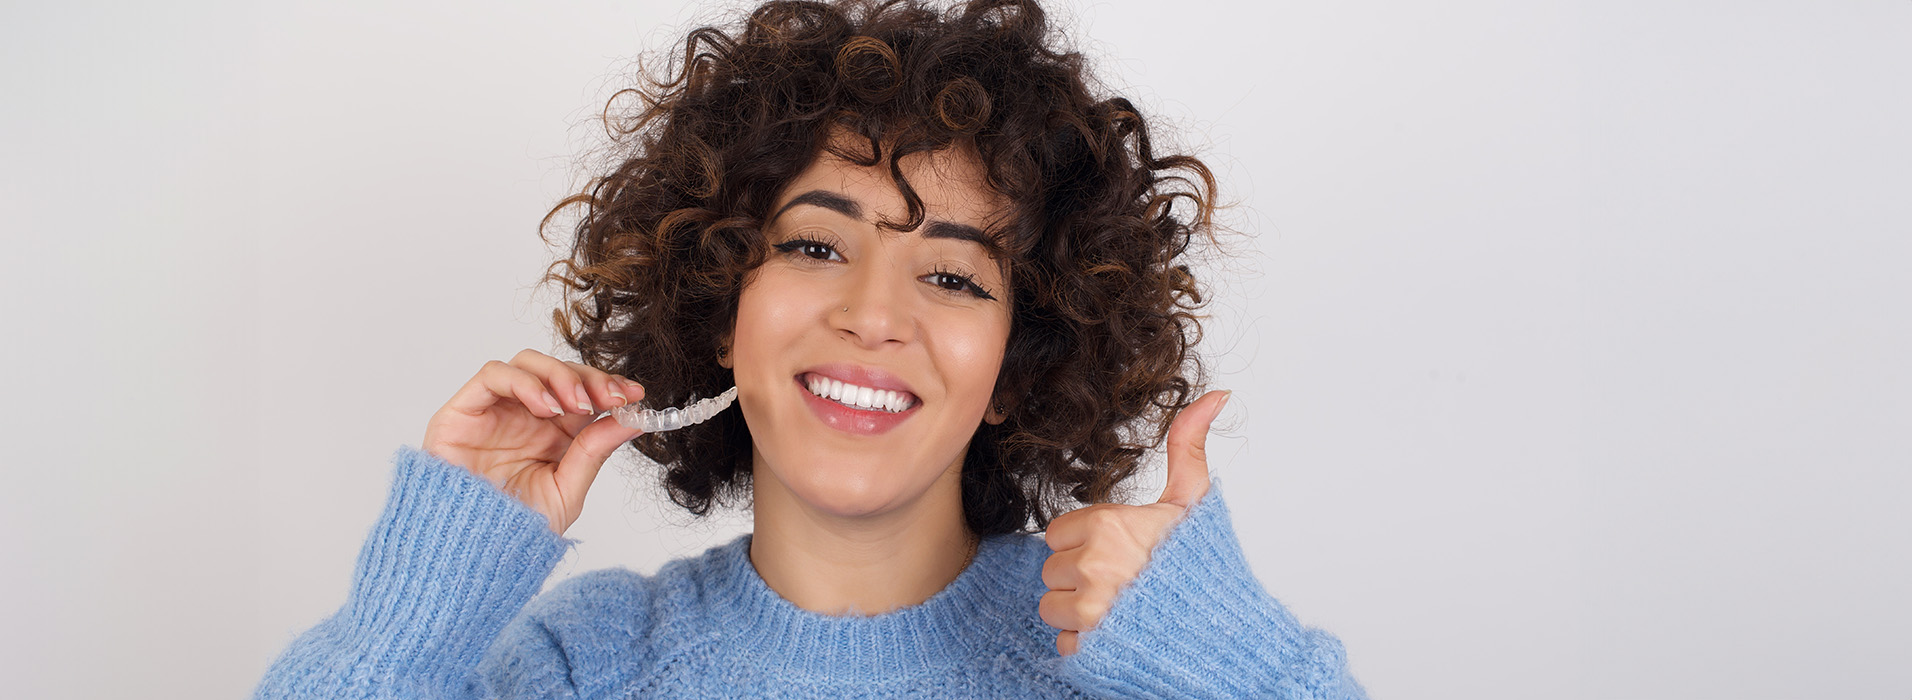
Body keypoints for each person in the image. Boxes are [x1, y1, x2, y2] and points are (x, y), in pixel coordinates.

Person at [251, 0, 1366, 697]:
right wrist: (426, 598)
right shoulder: (584, 668)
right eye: (816, 247)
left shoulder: (1134, 666)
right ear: (720, 305)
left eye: (951, 275)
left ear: (1019, 368)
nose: (874, 314)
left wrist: (1240, 669)